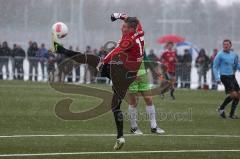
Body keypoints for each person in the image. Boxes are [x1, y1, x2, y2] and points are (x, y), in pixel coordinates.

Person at [52, 13, 144, 150]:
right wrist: (118, 15)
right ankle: (120, 137)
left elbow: (115, 51)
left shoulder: (129, 40)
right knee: (115, 105)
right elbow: (133, 19)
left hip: (121, 74)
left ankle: (60, 49)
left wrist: (103, 62)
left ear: (131, 29)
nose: (121, 28)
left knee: (91, 59)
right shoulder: (139, 32)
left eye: (124, 27)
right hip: (128, 75)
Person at [128, 54, 165, 135]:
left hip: (143, 75)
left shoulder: (141, 43)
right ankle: (134, 127)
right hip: (132, 76)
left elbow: (145, 58)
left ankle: (154, 127)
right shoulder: (126, 43)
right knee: (134, 102)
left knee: (149, 99)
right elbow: (123, 60)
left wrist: (154, 71)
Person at [214, 39, 240, 119]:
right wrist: (217, 78)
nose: (225, 45)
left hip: (232, 76)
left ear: (230, 45)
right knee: (234, 95)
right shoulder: (220, 55)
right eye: (224, 44)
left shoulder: (234, 55)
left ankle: (231, 114)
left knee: (238, 95)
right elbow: (215, 67)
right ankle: (221, 108)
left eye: (227, 44)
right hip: (224, 77)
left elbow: (236, 65)